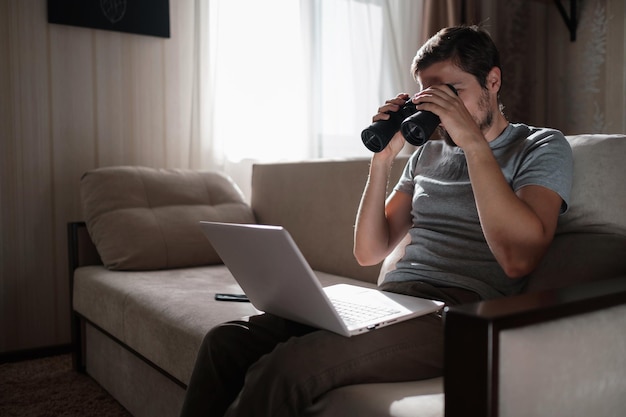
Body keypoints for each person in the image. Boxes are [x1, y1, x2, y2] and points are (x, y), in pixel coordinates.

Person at [179, 25, 573, 417]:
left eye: (452, 93)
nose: (440, 111)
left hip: (458, 314)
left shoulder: (539, 146)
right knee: (226, 341)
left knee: (289, 368)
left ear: (493, 81)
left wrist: (472, 142)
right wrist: (382, 160)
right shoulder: (426, 157)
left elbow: (517, 259)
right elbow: (368, 252)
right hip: (395, 299)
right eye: (430, 96)